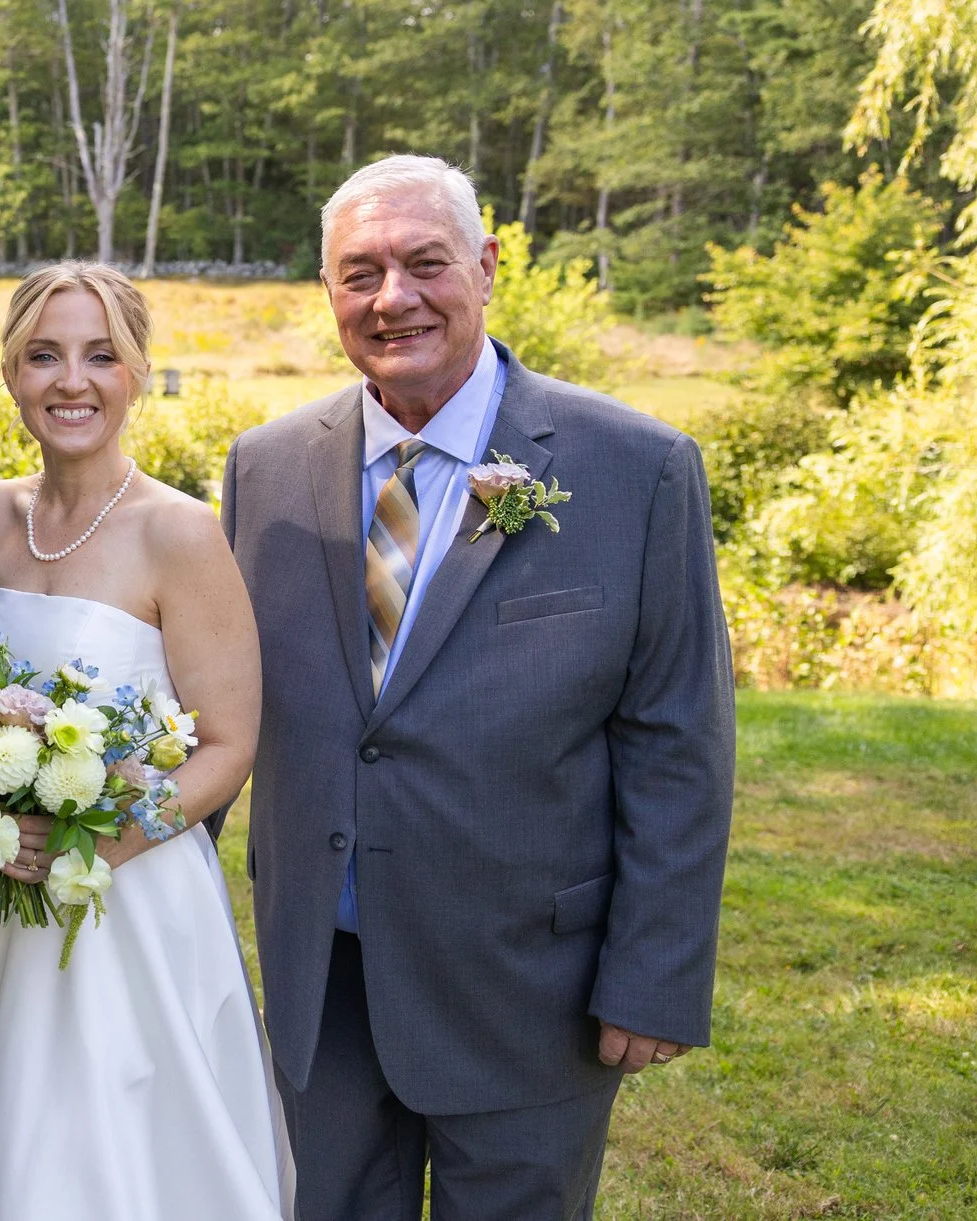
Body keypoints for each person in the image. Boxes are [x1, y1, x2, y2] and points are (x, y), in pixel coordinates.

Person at [223, 154, 735, 1220]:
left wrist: (652, 976)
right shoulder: (263, 469)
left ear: (488, 268)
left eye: (423, 263)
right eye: (357, 272)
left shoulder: (632, 469)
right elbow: (218, 707)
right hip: (323, 978)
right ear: (326, 290)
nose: (391, 298)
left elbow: (676, 742)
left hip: (525, 987)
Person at [0, 262, 291, 1220]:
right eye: (44, 356)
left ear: (138, 372)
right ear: (12, 374)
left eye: (102, 355)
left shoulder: (179, 533)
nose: (73, 381)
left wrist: (99, 839)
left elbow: (230, 743)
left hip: (123, 906)